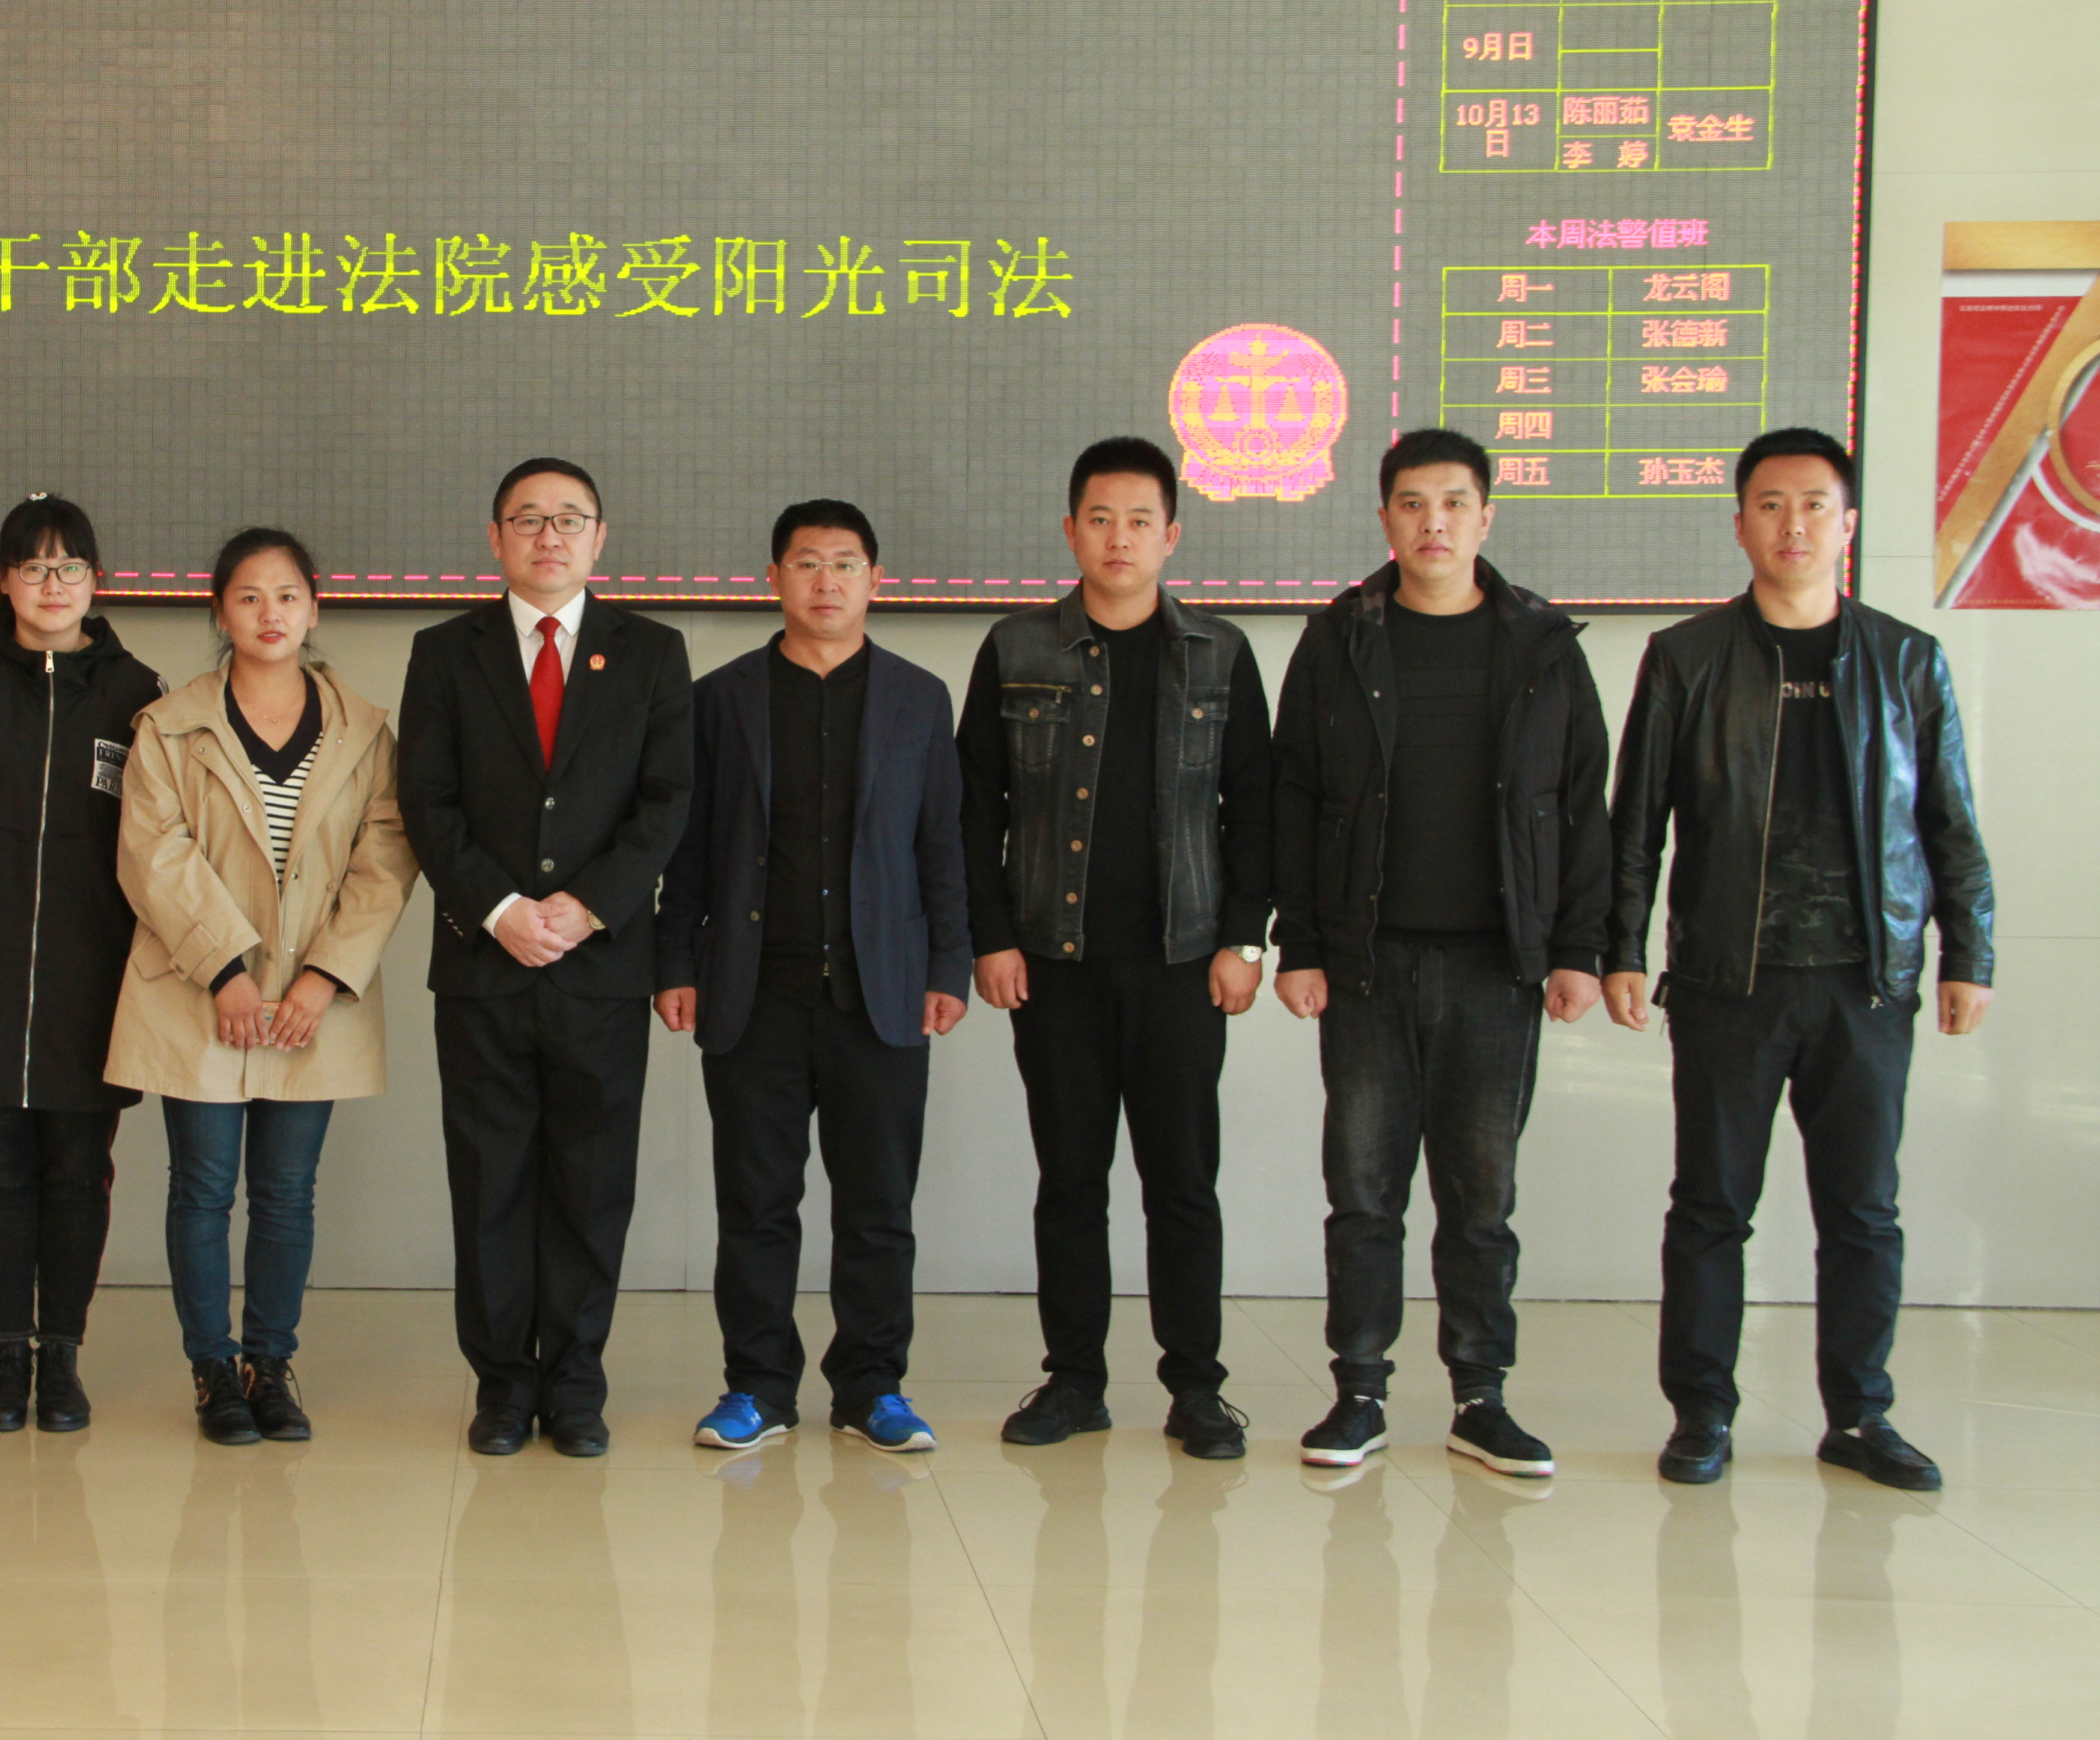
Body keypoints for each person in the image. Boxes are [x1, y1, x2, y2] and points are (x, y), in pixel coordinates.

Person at [1605, 427, 1994, 1492]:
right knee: (1710, 1209)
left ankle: (1860, 1417)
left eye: (1815, 505)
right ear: (1740, 524)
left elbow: (1950, 824)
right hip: (1728, 980)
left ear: (1848, 523)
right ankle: (1702, 1415)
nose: (1794, 525)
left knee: (1863, 1212)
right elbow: (1636, 824)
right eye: (1771, 505)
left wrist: (1969, 952)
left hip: (1868, 983)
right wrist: (1619, 947)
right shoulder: (1688, 657)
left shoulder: (1908, 661)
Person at [1270, 428, 1611, 1479]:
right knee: (1364, 1196)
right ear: (1384, 518)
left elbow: (1581, 807)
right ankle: (1360, 1393)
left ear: (1486, 516)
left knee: (1481, 1201)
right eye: (1413, 503)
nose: (1434, 523)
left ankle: (1480, 1397)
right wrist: (1300, 944)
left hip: (1499, 968)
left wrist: (1578, 948)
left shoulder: (1544, 646)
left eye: (1455, 502)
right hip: (1366, 964)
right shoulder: (1339, 640)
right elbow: (1295, 797)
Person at [960, 436, 1273, 1459]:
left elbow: (1256, 807)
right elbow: (974, 807)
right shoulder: (1018, 648)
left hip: (1185, 963)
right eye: (1101, 519)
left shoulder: (1220, 653)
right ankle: (1075, 1381)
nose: (1120, 538)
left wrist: (1245, 941)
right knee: (1071, 1182)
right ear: (1071, 532)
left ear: (1171, 535)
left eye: (1140, 521)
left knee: (1182, 1183)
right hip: (1055, 965)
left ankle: (1197, 1389)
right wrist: (991, 938)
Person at [657, 500, 971, 1454]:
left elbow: (943, 844)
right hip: (753, 990)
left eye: (844, 563)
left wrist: (948, 965)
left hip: (884, 991)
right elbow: (690, 847)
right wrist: (676, 962)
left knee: (878, 1207)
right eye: (806, 563)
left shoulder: (920, 698)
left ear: (876, 579)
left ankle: (873, 1388)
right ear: (774, 578)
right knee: (756, 1206)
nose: (826, 581)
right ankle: (757, 1387)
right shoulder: (722, 699)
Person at [397, 457, 693, 1458]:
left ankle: (574, 1384)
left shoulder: (652, 652)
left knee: (590, 1184)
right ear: (496, 539)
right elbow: (427, 801)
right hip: (483, 966)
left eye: (570, 519)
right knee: (490, 1183)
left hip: (600, 965)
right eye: (528, 519)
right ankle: (501, 1386)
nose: (550, 536)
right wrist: (499, 909)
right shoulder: (446, 653)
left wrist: (586, 906)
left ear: (600, 538)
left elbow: (666, 803)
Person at [106, 528, 418, 1446]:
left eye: (287, 596)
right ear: (219, 612)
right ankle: (213, 1370)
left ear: (314, 608)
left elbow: (386, 858)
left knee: (287, 1192)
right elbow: (153, 854)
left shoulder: (366, 731)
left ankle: (270, 1367)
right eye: (248, 597)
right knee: (203, 1187)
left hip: (312, 1001)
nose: (269, 614)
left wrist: (325, 978)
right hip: (199, 989)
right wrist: (225, 970)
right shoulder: (170, 725)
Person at [0, 494, 165, 1436]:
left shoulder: (141, 693)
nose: (52, 585)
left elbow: (163, 835)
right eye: (33, 567)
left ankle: (61, 1356)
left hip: (94, 977)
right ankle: (5, 1353)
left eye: (70, 568)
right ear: (3, 581)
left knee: (78, 1168)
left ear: (97, 582)